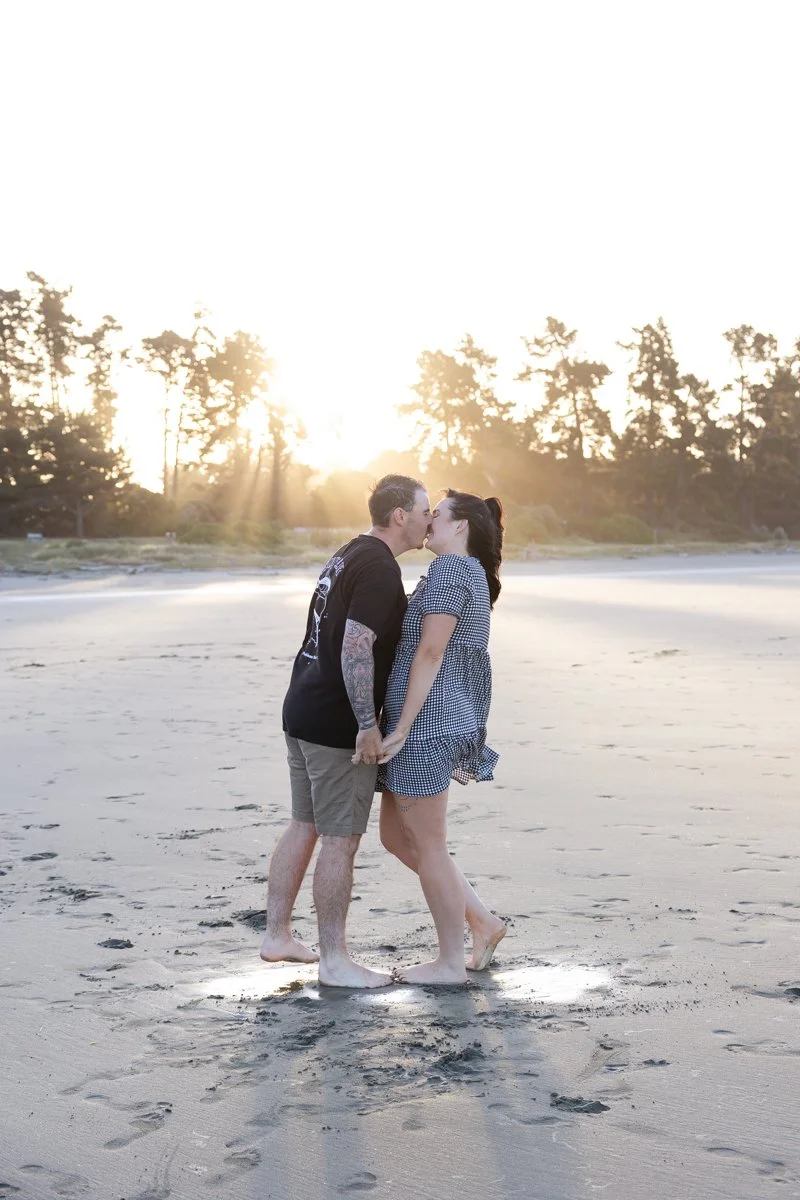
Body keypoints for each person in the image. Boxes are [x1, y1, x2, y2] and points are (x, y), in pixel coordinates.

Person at [260, 474, 431, 988]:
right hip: (335, 724)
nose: (429, 517)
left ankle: (277, 935)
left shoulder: (350, 552)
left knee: (305, 824)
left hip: (301, 708)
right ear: (400, 515)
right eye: (424, 509)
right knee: (340, 840)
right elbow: (356, 645)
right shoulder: (379, 570)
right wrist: (367, 725)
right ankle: (334, 960)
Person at [370, 489, 506, 985]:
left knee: (429, 845)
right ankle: (482, 922)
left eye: (438, 515)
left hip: (428, 721)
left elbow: (430, 654)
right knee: (394, 836)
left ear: (462, 525)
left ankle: (450, 961)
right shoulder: (463, 572)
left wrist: (401, 727)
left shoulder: (452, 571)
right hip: (437, 715)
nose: (428, 522)